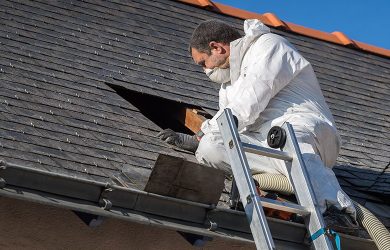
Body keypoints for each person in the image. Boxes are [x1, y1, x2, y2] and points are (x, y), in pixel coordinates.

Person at [157, 19, 357, 224]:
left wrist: (199, 135)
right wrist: (203, 139)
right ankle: (279, 189)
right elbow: (227, 118)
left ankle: (338, 211)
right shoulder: (228, 86)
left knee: (286, 137)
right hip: (265, 145)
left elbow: (248, 104)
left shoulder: (269, 46)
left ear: (216, 47)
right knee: (211, 148)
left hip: (305, 133)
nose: (205, 70)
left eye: (203, 63)